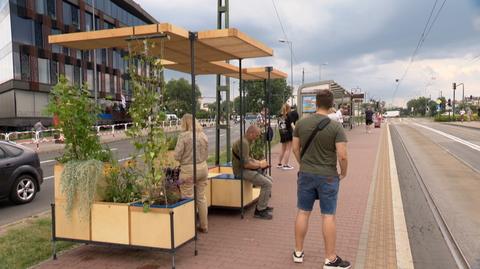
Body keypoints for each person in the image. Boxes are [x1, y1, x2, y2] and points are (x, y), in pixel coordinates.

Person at [292, 89, 350, 268]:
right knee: (328, 216)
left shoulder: (301, 123)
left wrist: (304, 164)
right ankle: (330, 259)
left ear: (316, 103)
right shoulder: (335, 127)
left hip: (306, 174)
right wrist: (344, 172)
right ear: (332, 105)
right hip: (328, 177)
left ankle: (298, 252)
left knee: (303, 212)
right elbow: (342, 156)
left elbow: (295, 148)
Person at [174, 113, 209, 233]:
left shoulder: (183, 136)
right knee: (201, 197)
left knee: (187, 197)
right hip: (203, 168)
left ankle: (189, 228)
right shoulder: (203, 135)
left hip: (188, 170)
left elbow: (177, 156)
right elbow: (206, 154)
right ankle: (204, 225)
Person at [232, 125, 274, 220]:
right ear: (251, 133)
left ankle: (263, 206)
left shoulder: (246, 141)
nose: (257, 138)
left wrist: (259, 162)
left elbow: (249, 159)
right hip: (240, 171)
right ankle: (259, 210)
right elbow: (246, 164)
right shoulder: (244, 143)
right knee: (267, 184)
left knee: (270, 179)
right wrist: (260, 165)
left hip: (244, 169)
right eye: (256, 135)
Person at [277, 104, 294, 170]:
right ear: (288, 109)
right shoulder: (288, 115)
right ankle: (286, 165)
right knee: (288, 149)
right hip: (288, 133)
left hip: (282, 133)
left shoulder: (279, 116)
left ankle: (279, 163)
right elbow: (292, 125)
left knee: (283, 149)